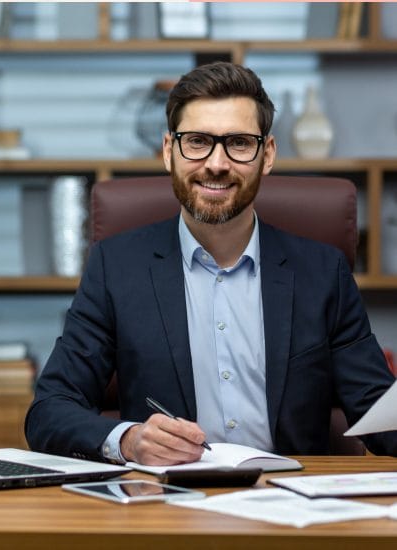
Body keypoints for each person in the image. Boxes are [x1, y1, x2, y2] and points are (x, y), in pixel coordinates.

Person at [25, 61, 397, 465]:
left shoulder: (323, 273)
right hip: (169, 504)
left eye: (238, 143)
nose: (217, 163)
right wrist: (128, 439)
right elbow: (49, 410)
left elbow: (380, 417)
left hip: (292, 504)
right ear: (169, 151)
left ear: (267, 154)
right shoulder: (116, 269)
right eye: (198, 141)